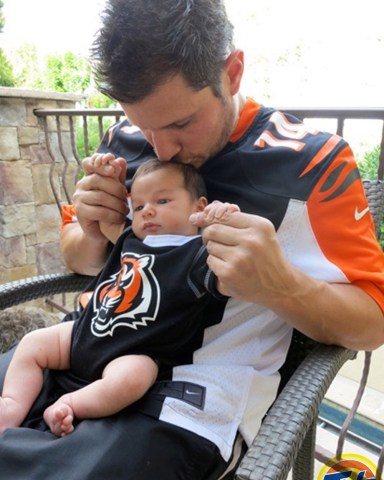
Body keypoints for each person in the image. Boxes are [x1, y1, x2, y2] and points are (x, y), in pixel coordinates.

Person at [1, 0, 384, 478]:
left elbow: (372, 322)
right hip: (77, 347)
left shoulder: (311, 164)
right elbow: (78, 256)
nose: (160, 149)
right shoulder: (122, 141)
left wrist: (279, 286)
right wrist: (93, 229)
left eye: (181, 123)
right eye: (144, 126)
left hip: (178, 407)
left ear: (233, 72)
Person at [0, 158, 237, 437]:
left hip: (134, 351)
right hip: (84, 333)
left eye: (162, 201)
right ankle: (11, 406)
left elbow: (234, 275)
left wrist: (223, 220)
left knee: (131, 380)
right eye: (138, 206)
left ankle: (69, 404)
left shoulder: (199, 255)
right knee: (33, 342)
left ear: (199, 207)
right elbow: (101, 218)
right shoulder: (129, 239)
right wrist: (105, 173)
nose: (147, 211)